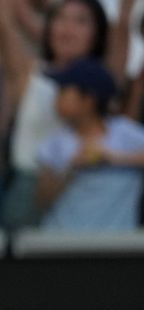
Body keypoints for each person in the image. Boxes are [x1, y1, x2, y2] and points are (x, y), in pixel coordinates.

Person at [0, 0, 133, 228]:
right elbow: (3, 23)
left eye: (81, 21)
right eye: (60, 18)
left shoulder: (103, 79)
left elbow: (122, 26)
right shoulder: (30, 72)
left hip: (88, 188)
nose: (67, 28)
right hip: (30, 185)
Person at [36, 59, 144, 231]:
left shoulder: (124, 133)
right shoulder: (55, 143)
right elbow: (42, 199)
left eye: (63, 91)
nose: (56, 97)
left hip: (117, 243)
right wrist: (70, 169)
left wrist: (113, 158)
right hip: (61, 241)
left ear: (88, 100)